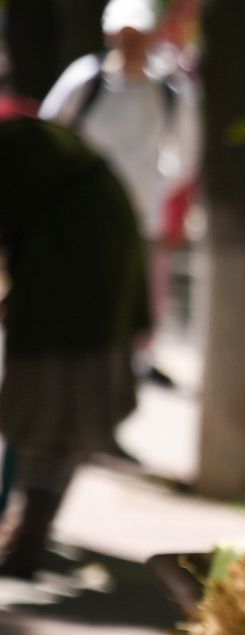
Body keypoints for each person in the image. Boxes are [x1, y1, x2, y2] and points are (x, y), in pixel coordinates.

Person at [0, 115, 148, 577]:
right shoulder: (27, 147)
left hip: (76, 275)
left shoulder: (18, 151)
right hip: (88, 260)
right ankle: (28, 533)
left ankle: (29, 538)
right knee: (57, 417)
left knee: (54, 414)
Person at [39, 0, 198, 379]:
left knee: (124, 318)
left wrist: (158, 186)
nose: (132, 44)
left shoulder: (169, 92)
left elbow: (188, 152)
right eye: (126, 35)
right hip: (79, 221)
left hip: (138, 221)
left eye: (139, 35)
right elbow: (47, 134)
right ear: (111, 34)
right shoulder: (85, 80)